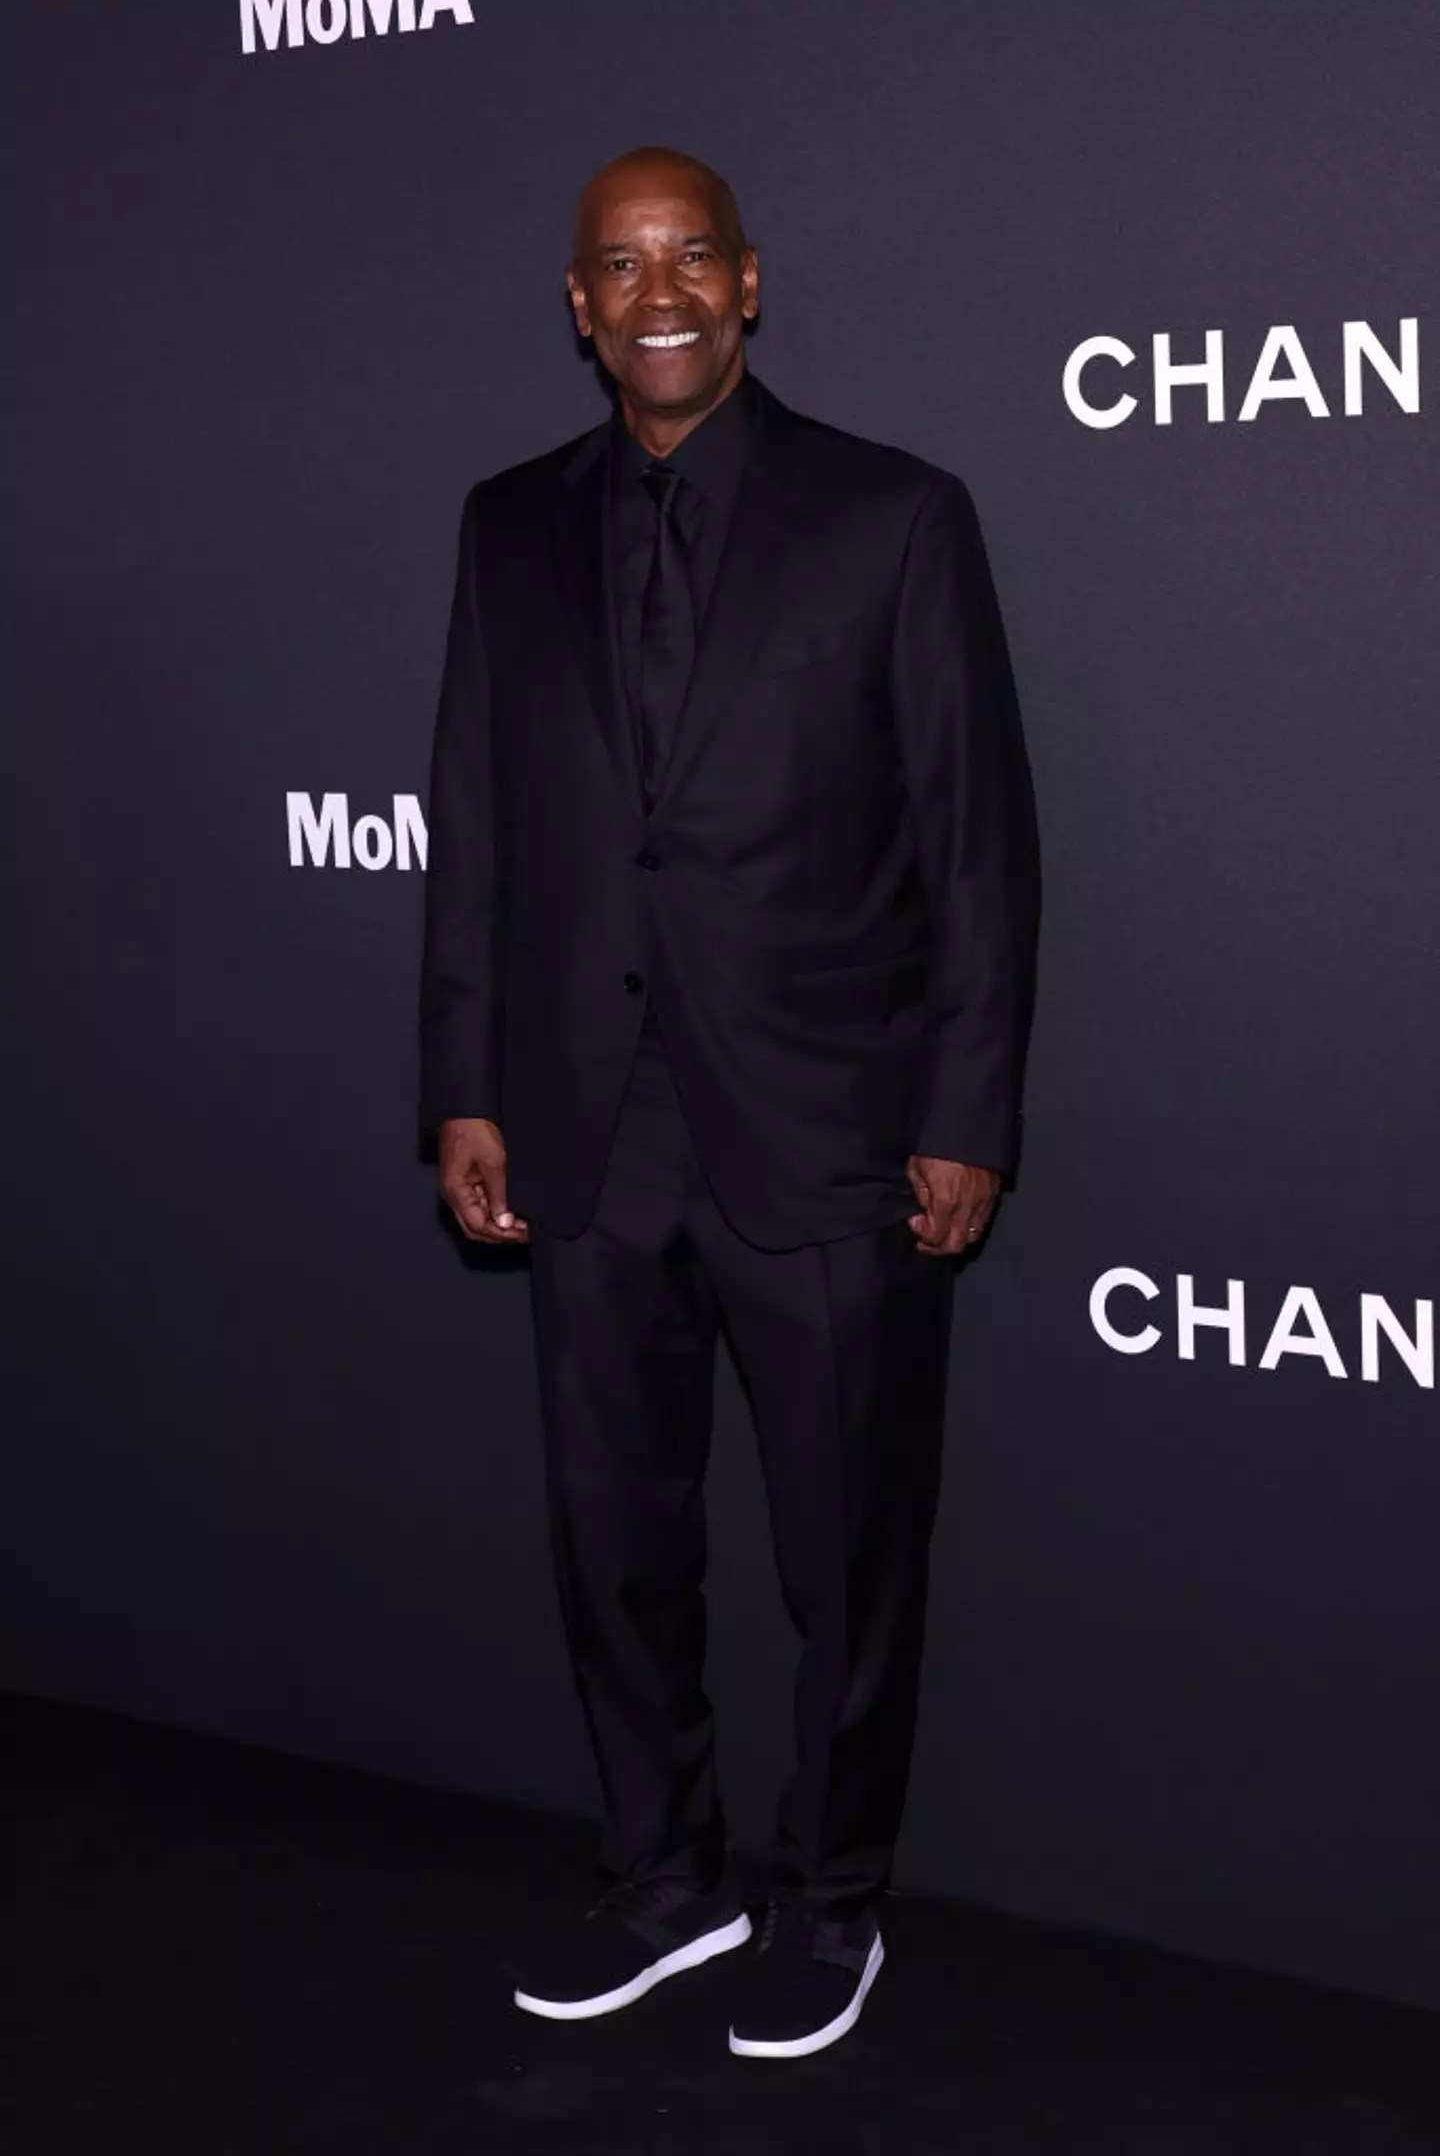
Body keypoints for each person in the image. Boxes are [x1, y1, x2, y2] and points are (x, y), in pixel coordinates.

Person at [419, 144, 1040, 2061]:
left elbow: (979, 844)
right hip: (588, 1123)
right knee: (618, 1538)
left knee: (847, 1553)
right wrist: (464, 1085)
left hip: (834, 1128)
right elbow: (480, 832)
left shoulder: (896, 515)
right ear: (581, 305)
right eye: (623, 261)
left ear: (751, 286)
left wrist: (966, 1111)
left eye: (693, 253)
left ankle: (832, 1898)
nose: (661, 285)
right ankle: (664, 1880)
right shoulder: (505, 525)